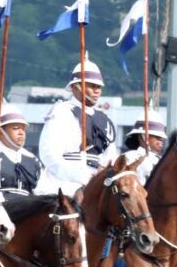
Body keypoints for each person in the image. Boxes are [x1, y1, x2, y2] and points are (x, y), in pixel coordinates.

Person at [36, 55, 118, 194]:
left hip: (97, 182)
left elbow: (111, 157)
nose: (97, 90)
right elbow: (49, 154)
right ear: (76, 87)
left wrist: (102, 174)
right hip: (63, 182)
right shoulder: (61, 111)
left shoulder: (103, 118)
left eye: (99, 87)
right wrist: (81, 176)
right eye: (92, 86)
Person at [0, 105, 42, 199]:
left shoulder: (33, 159)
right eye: (15, 128)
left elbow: (41, 191)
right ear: (0, 133)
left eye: (23, 129)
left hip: (29, 209)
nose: (21, 132)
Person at [122, 118, 167, 185]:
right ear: (142, 137)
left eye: (161, 138)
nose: (160, 140)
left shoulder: (161, 160)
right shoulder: (128, 157)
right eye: (156, 136)